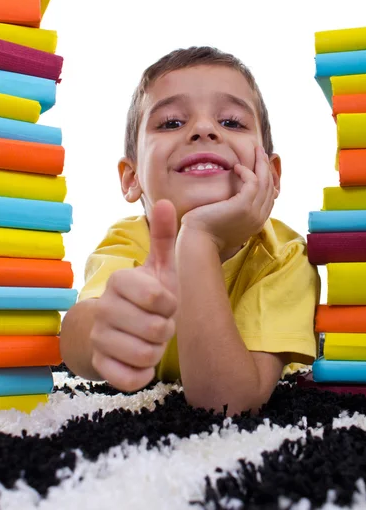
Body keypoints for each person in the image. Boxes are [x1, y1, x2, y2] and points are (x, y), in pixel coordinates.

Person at [60, 46, 320, 416]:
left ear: (271, 176)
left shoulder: (285, 257)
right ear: (132, 179)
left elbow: (225, 402)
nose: (203, 129)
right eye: (170, 122)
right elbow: (76, 341)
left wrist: (199, 237)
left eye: (231, 121)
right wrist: (102, 335)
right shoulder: (129, 242)